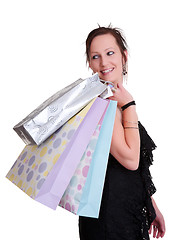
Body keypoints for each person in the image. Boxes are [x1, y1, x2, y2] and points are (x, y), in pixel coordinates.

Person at [79, 26, 166, 240]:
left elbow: (132, 171)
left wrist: (151, 205)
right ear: (90, 64)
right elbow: (130, 160)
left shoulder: (116, 100)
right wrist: (130, 106)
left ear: (124, 56)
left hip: (128, 210)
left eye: (110, 53)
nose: (104, 63)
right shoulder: (100, 105)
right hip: (109, 217)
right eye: (95, 56)